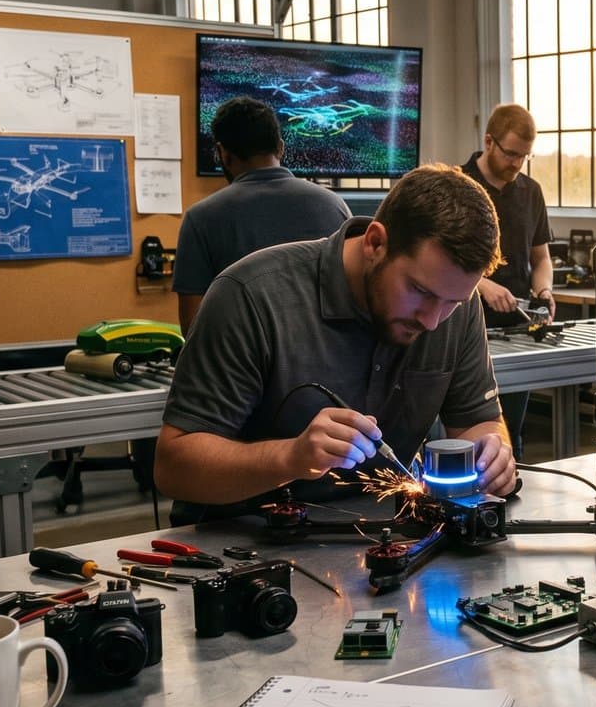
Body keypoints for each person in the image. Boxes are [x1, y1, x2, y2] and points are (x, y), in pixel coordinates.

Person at [155, 164, 516, 522]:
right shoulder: (251, 297)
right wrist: (290, 458)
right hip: (239, 547)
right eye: (419, 291)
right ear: (375, 243)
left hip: (381, 539)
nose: (432, 320)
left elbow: (479, 423)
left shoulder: (457, 306)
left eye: (452, 302)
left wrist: (493, 454)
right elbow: (174, 467)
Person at [173, 96, 352, 331]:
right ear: (281, 147)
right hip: (327, 362)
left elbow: (193, 327)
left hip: (241, 364)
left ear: (222, 154)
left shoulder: (201, 218)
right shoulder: (335, 206)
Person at [461, 103, 555, 458]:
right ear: (489, 141)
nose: (517, 163)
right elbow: (440, 257)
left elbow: (540, 257)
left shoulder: (531, 192)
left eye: (524, 156)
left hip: (517, 331)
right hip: (466, 327)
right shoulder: (458, 185)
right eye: (512, 153)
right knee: (468, 429)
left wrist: (543, 288)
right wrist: (481, 284)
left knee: (509, 433)